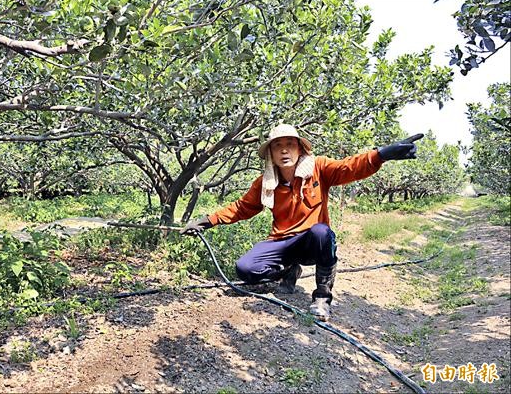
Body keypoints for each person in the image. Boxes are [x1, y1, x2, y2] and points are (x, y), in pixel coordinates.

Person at [180, 123, 423, 321]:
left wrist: (381, 155)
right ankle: (288, 270)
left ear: (299, 149)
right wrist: (206, 221)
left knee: (321, 232)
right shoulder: (265, 182)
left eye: (289, 145)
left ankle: (322, 297)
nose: (284, 151)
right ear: (271, 155)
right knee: (246, 269)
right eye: (278, 147)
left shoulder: (318, 168)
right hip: (283, 242)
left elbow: (350, 167)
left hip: (311, 242)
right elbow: (243, 207)